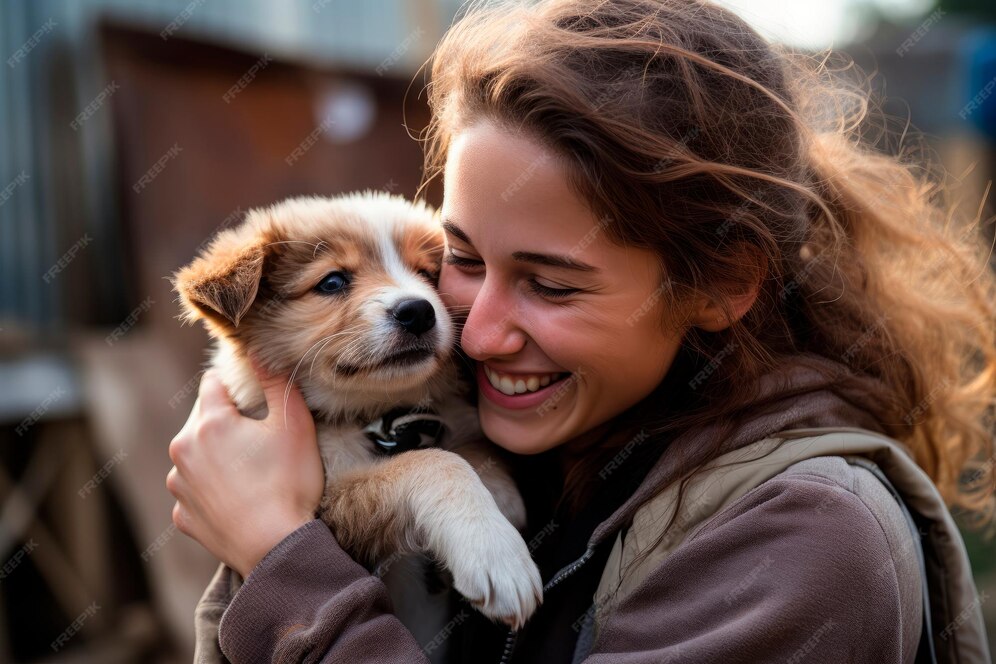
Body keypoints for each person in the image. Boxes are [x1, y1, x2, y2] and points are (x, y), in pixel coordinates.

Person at [166, 0, 996, 661]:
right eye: (461, 260)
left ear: (719, 286)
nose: (476, 334)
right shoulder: (558, 437)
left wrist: (285, 566)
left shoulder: (807, 543)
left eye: (551, 284)